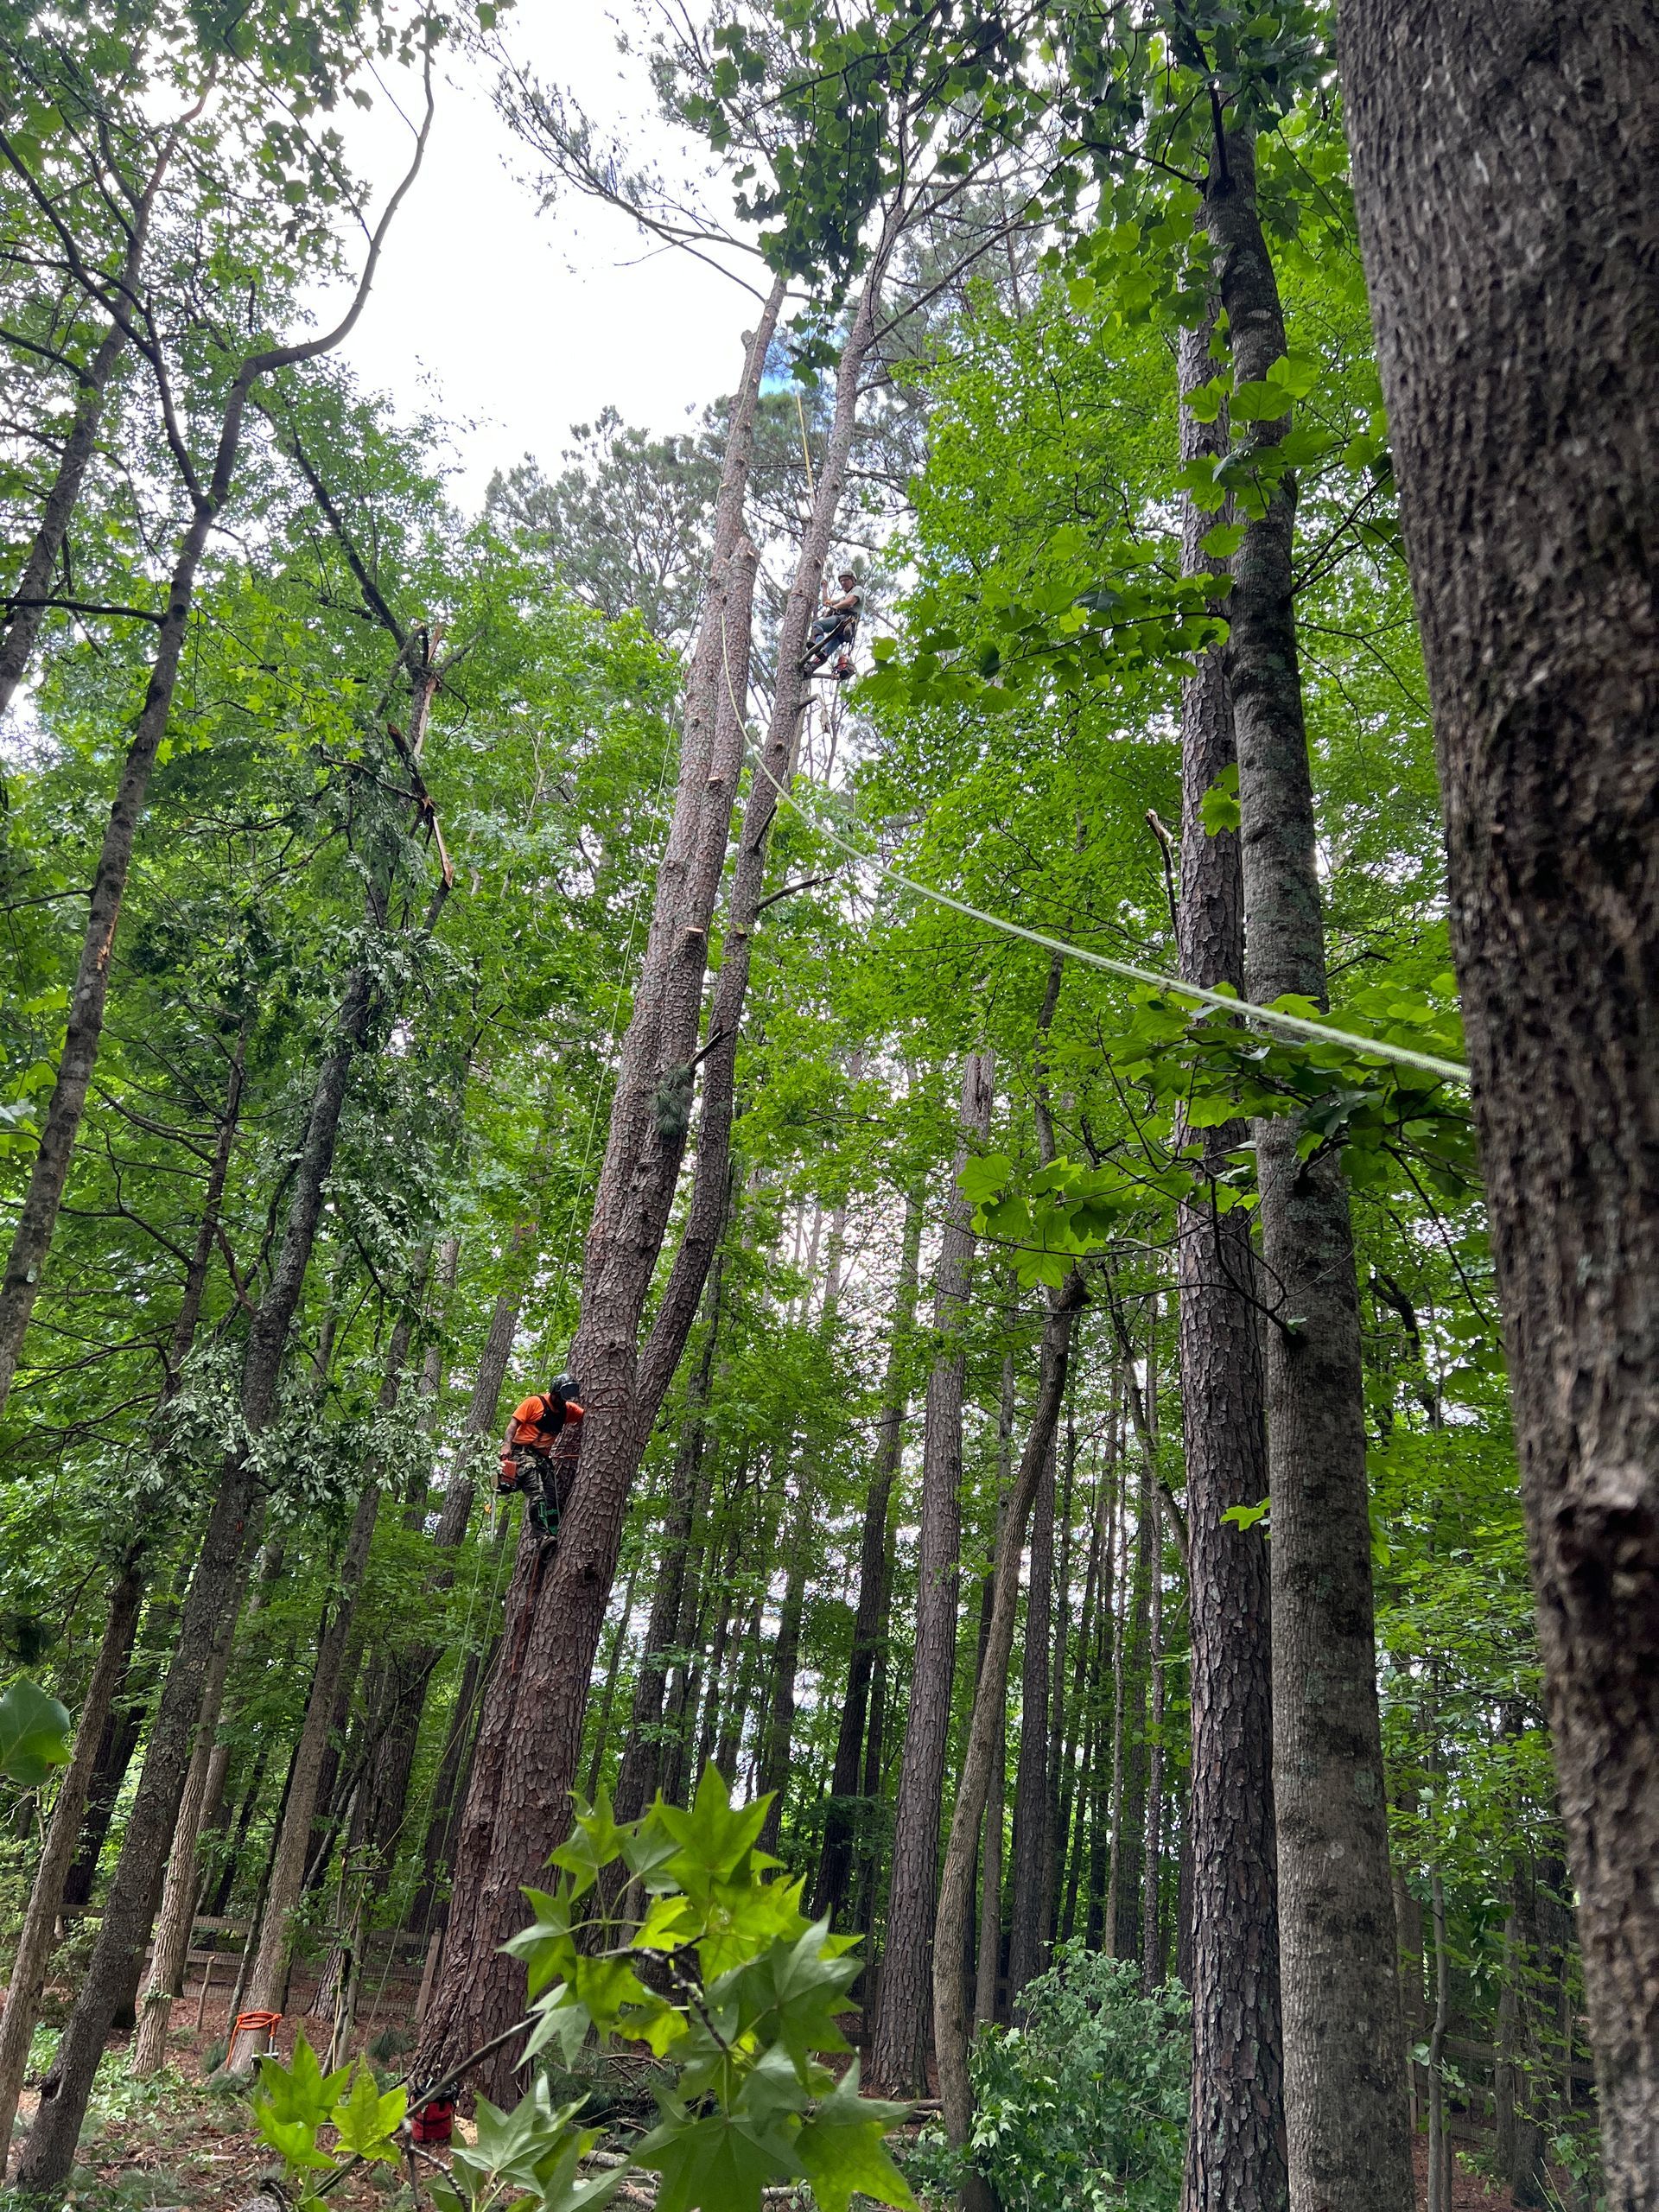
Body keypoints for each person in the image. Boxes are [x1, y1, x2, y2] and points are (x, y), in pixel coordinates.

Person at [499, 1372, 584, 1537]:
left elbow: (587, 1415)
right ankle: (540, 1536)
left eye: (565, 1399)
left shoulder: (567, 1410)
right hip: (521, 1452)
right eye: (559, 1397)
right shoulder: (534, 1403)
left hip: (542, 1458)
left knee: (552, 1498)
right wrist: (506, 1445)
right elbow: (513, 1423)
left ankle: (553, 1532)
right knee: (537, 1493)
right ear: (553, 1393)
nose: (562, 1402)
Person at [803, 569, 864, 677]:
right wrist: (825, 588)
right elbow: (827, 602)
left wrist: (834, 608)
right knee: (825, 653)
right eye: (841, 581)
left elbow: (850, 603)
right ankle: (809, 669)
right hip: (843, 629)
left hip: (845, 619)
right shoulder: (843, 598)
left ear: (853, 580)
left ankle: (819, 648)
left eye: (845, 580)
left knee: (817, 625)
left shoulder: (857, 589)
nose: (843, 583)